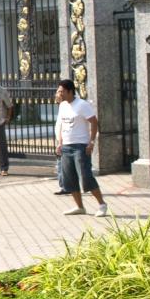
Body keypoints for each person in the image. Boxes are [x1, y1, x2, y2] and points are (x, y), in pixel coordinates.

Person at [55, 79, 108, 217]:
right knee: (69, 178)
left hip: (80, 146)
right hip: (66, 146)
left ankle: (102, 204)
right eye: (59, 91)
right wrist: (60, 142)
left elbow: (94, 122)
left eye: (61, 91)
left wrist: (91, 142)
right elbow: (61, 125)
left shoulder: (82, 105)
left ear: (70, 91)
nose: (59, 94)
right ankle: (79, 207)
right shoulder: (62, 105)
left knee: (86, 177)